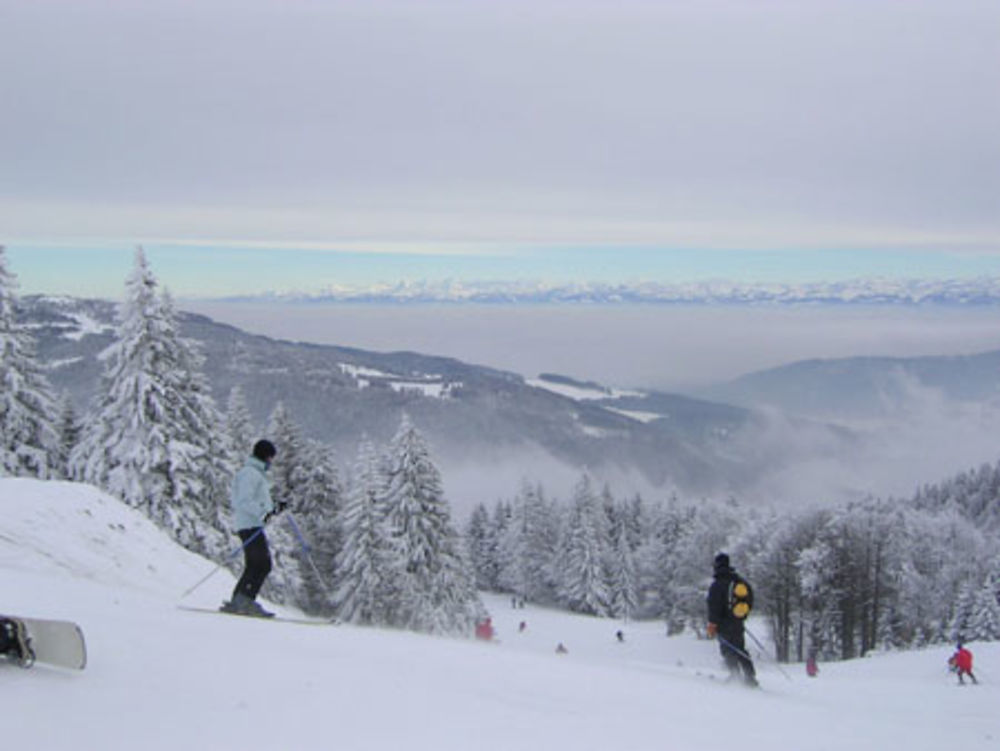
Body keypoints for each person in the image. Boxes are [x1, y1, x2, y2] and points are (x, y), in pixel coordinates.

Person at [221, 439, 282, 618]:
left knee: (256, 564)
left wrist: (274, 508)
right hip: (250, 524)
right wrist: (263, 514)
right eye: (271, 458)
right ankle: (244, 600)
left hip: (251, 523)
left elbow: (259, 502)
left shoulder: (255, 473)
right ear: (266, 456)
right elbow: (244, 501)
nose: (272, 462)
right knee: (262, 564)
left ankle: (240, 599)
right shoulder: (251, 474)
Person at [707, 552, 758, 687]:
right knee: (740, 648)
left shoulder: (717, 585)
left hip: (723, 624)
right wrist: (741, 616)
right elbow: (750, 598)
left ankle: (735, 675)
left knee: (727, 650)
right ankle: (750, 677)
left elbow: (714, 606)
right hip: (737, 622)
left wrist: (713, 623)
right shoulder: (739, 582)